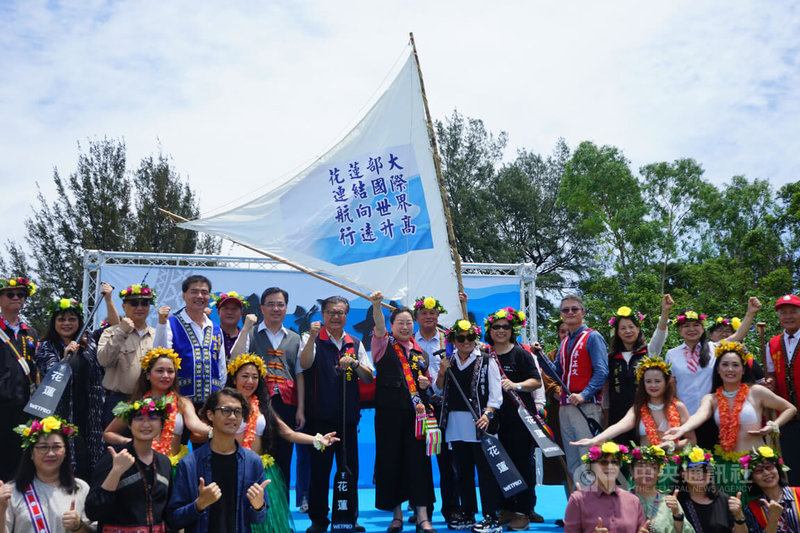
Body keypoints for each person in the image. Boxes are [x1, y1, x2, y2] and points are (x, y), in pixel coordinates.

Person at [664, 341, 796, 497]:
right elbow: (700, 415)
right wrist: (682, 428)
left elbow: (790, 408)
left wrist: (773, 425)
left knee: (763, 509)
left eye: (735, 365)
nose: (730, 369)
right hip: (727, 466)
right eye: (725, 365)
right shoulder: (711, 399)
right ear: (718, 370)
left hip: (757, 465)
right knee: (733, 511)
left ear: (743, 369)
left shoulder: (756, 392)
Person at [227, 352, 338, 532]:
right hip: (232, 470)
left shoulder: (263, 406)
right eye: (245, 376)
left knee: (265, 523)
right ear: (234, 379)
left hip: (260, 471)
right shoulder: (225, 405)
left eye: (255, 377)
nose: (250, 381)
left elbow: (288, 433)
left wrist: (318, 439)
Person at [299, 295, 374, 533]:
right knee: (319, 472)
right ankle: (319, 520)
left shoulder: (356, 343)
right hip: (319, 419)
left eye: (340, 312)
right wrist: (312, 336)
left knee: (350, 470)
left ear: (346, 316)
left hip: (348, 420)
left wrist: (353, 364)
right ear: (323, 315)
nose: (335, 316)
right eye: (331, 312)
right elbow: (303, 363)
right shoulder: (310, 339)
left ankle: (349, 518)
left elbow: (369, 376)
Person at [369, 292, 437, 533]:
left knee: (419, 463)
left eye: (409, 322)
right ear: (392, 326)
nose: (406, 326)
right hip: (388, 416)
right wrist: (377, 305)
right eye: (401, 323)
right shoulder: (382, 344)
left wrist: (426, 385)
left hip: (416, 417)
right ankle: (396, 515)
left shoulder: (421, 355)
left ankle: (422, 516)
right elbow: (378, 325)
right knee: (391, 462)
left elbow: (428, 382)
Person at [233, 287, 306, 498]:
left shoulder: (294, 338)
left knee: (284, 457)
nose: (276, 309)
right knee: (257, 453)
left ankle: (280, 512)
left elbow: (299, 374)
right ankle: (254, 506)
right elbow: (234, 359)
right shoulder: (251, 333)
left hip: (287, 404)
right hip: (257, 403)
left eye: (280, 304)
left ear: (286, 308)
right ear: (262, 308)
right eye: (271, 304)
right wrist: (245, 328)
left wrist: (300, 408)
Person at [663, 298, 762, 448]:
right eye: (686, 326)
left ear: (702, 329)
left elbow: (737, 337)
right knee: (691, 464)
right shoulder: (672, 354)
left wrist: (750, 313)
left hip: (715, 415)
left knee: (716, 458)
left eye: (696, 325)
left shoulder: (714, 348)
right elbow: (672, 387)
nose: (691, 329)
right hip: (686, 417)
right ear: (679, 330)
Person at [168, 387, 268, 533]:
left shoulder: (253, 462)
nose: (233, 416)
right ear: (210, 414)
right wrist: (199, 505)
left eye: (238, 412)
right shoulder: (190, 464)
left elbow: (258, 519)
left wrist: (258, 506)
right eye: (225, 410)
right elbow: (174, 519)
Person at [435, 319, 503, 533]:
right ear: (454, 341)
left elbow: (496, 395)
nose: (466, 342)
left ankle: (491, 516)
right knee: (462, 471)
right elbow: (438, 392)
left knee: (486, 472)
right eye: (461, 338)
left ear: (476, 338)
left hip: (479, 423)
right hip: (455, 423)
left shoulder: (486, 360)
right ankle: (468, 512)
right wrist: (442, 372)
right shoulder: (448, 361)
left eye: (470, 337)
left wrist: (488, 414)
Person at [35, 296, 108, 481]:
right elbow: (50, 373)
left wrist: (108, 299)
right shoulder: (46, 346)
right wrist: (65, 357)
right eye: (61, 319)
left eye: (72, 319)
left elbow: (115, 328)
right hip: (63, 413)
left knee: (91, 463)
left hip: (91, 413)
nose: (67, 323)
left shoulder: (91, 340)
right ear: (54, 323)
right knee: (68, 462)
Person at [483, 307, 541, 530]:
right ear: (490, 330)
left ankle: (523, 511)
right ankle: (505, 508)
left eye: (505, 327)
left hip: (519, 419)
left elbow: (536, 381)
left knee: (522, 465)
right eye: (496, 327)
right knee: (500, 466)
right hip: (495, 420)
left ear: (512, 330)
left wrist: (516, 385)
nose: (500, 330)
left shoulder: (521, 353)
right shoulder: (486, 354)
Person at [103, 347, 211, 462]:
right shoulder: (136, 404)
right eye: (160, 371)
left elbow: (195, 425)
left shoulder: (182, 402)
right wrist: (129, 442)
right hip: (142, 463)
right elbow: (108, 433)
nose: (165, 375)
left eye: (170, 371)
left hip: (173, 466)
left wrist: (216, 431)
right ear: (148, 375)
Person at [87, 397, 174, 531]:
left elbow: (167, 510)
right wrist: (116, 472)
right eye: (139, 418)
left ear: (162, 424)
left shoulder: (164, 463)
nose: (146, 424)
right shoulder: (113, 457)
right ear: (129, 424)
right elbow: (93, 512)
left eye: (153, 417)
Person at [571, 355, 693, 450]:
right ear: (643, 384)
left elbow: (692, 441)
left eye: (657, 381)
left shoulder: (678, 406)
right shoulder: (639, 408)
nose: (653, 385)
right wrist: (594, 440)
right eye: (648, 381)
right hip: (645, 468)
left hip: (673, 468)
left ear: (666, 383)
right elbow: (619, 426)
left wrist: (669, 446)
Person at [549, 294, 609, 484]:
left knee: (588, 458)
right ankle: (579, 509)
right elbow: (556, 371)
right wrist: (538, 357)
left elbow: (602, 371)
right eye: (565, 310)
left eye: (574, 309)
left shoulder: (592, 337)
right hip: (565, 406)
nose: (570, 313)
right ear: (561, 315)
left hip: (586, 405)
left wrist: (584, 395)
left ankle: (594, 510)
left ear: (583, 312)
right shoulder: (565, 340)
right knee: (573, 460)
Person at [0, 416, 91, 532]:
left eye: (57, 447)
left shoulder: (80, 488)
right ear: (31, 453)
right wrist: (1, 509)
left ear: (65, 452)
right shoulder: (12, 491)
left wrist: (78, 526)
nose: (51, 453)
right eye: (43, 447)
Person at [413, 295, 458, 526]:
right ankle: (421, 508)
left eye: (433, 313)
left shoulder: (448, 339)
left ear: (438, 316)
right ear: (416, 317)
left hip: (445, 404)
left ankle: (451, 508)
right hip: (418, 405)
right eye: (424, 313)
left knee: (447, 460)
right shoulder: (409, 340)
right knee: (419, 460)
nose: (429, 317)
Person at [605, 295, 673, 445]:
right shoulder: (610, 358)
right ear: (617, 332)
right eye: (623, 328)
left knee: (645, 457)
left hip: (645, 414)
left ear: (638, 329)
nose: (628, 331)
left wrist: (665, 312)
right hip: (618, 416)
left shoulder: (649, 351)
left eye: (631, 327)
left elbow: (660, 334)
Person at [97, 282, 158, 427]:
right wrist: (122, 332)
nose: (140, 307)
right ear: (124, 306)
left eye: (145, 303)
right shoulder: (111, 332)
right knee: (115, 447)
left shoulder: (157, 335)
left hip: (149, 402)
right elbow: (104, 361)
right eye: (134, 303)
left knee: (147, 448)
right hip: (118, 402)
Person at [0, 277, 39, 482]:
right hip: (1, 405)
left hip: (25, 406)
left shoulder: (30, 332)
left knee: (21, 460)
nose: (16, 298)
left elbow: (36, 369)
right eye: (10, 294)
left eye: (21, 295)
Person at [563, 441, 650, 533]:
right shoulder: (578, 500)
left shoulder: (633, 501)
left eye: (614, 462)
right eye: (604, 462)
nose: (610, 466)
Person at [764, 294, 800, 485]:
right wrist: (769, 381)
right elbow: (771, 372)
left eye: (793, 312)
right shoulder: (773, 342)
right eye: (783, 312)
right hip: (786, 416)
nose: (788, 316)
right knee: (792, 466)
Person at [673, 445, 747, 533]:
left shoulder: (723, 499)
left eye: (704, 469)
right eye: (694, 470)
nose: (700, 474)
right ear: (682, 474)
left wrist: (739, 516)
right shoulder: (676, 503)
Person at [629, 445, 695, 533]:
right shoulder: (622, 499)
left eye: (654, 467)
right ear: (632, 470)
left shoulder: (668, 502)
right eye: (642, 466)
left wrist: (677, 515)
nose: (648, 471)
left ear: (658, 472)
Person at [740, 445, 799, 532]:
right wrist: (773, 519)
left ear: (778, 469)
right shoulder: (752, 509)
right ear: (752, 479)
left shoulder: (798, 493)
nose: (766, 473)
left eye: (769, 467)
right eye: (759, 470)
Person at [542, 320, 569, 487]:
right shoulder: (550, 357)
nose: (566, 335)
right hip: (558, 412)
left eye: (569, 331)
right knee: (558, 457)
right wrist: (570, 397)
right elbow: (550, 386)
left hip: (584, 410)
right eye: (562, 332)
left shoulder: (585, 353)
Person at [213, 291, 247, 359]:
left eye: (234, 309)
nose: (230, 312)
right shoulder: (211, 335)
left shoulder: (247, 338)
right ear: (218, 312)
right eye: (226, 308)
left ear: (241, 313)